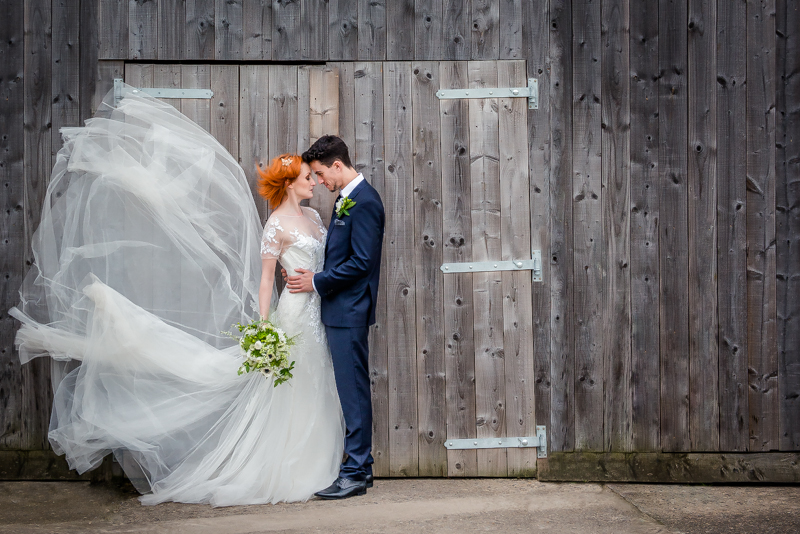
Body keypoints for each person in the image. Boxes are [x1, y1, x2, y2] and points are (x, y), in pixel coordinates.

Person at [9, 85, 344, 506]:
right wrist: (264, 327)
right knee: (291, 386)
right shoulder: (276, 224)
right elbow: (265, 282)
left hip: (318, 309)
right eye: (308, 177)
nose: (314, 182)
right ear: (290, 183)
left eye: (315, 176)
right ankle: (288, 467)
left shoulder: (314, 216)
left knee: (317, 383)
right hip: (294, 312)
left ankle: (318, 462)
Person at [285, 135, 385, 500]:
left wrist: (316, 281)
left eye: (320, 173)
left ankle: (354, 472)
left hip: (349, 310)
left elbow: (362, 263)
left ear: (337, 165)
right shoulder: (346, 199)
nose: (319, 181)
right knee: (350, 390)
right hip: (341, 309)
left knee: (353, 392)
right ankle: (363, 467)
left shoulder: (365, 201)